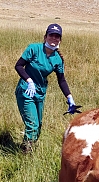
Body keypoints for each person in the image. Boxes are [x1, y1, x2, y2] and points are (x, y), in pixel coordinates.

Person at [14, 23, 77, 153]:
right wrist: (29, 80)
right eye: (51, 35)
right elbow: (19, 66)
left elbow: (61, 80)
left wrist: (70, 98)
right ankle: (26, 154)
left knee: (39, 126)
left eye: (57, 36)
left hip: (40, 93)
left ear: (60, 39)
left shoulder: (57, 59)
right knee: (32, 125)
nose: (54, 38)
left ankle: (27, 146)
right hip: (26, 91)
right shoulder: (34, 48)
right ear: (45, 36)